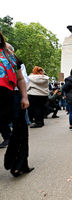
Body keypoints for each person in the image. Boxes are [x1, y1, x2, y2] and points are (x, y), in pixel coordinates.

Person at [1, 32, 34, 177]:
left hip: (12, 96)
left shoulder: (11, 55)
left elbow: (21, 78)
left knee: (20, 132)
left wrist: (25, 97)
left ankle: (18, 165)